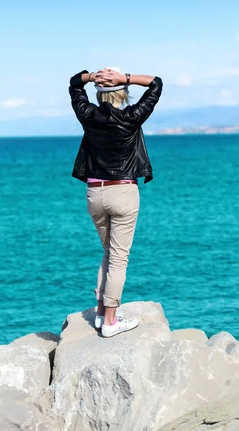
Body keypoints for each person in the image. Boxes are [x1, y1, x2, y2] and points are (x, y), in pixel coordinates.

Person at [69, 67, 163, 337]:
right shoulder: (132, 117)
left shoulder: (87, 115)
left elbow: (74, 84)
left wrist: (91, 78)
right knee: (118, 257)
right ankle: (110, 321)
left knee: (109, 253)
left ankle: (101, 314)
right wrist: (126, 77)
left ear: (98, 94)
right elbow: (156, 84)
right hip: (123, 191)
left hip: (95, 192)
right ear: (123, 93)